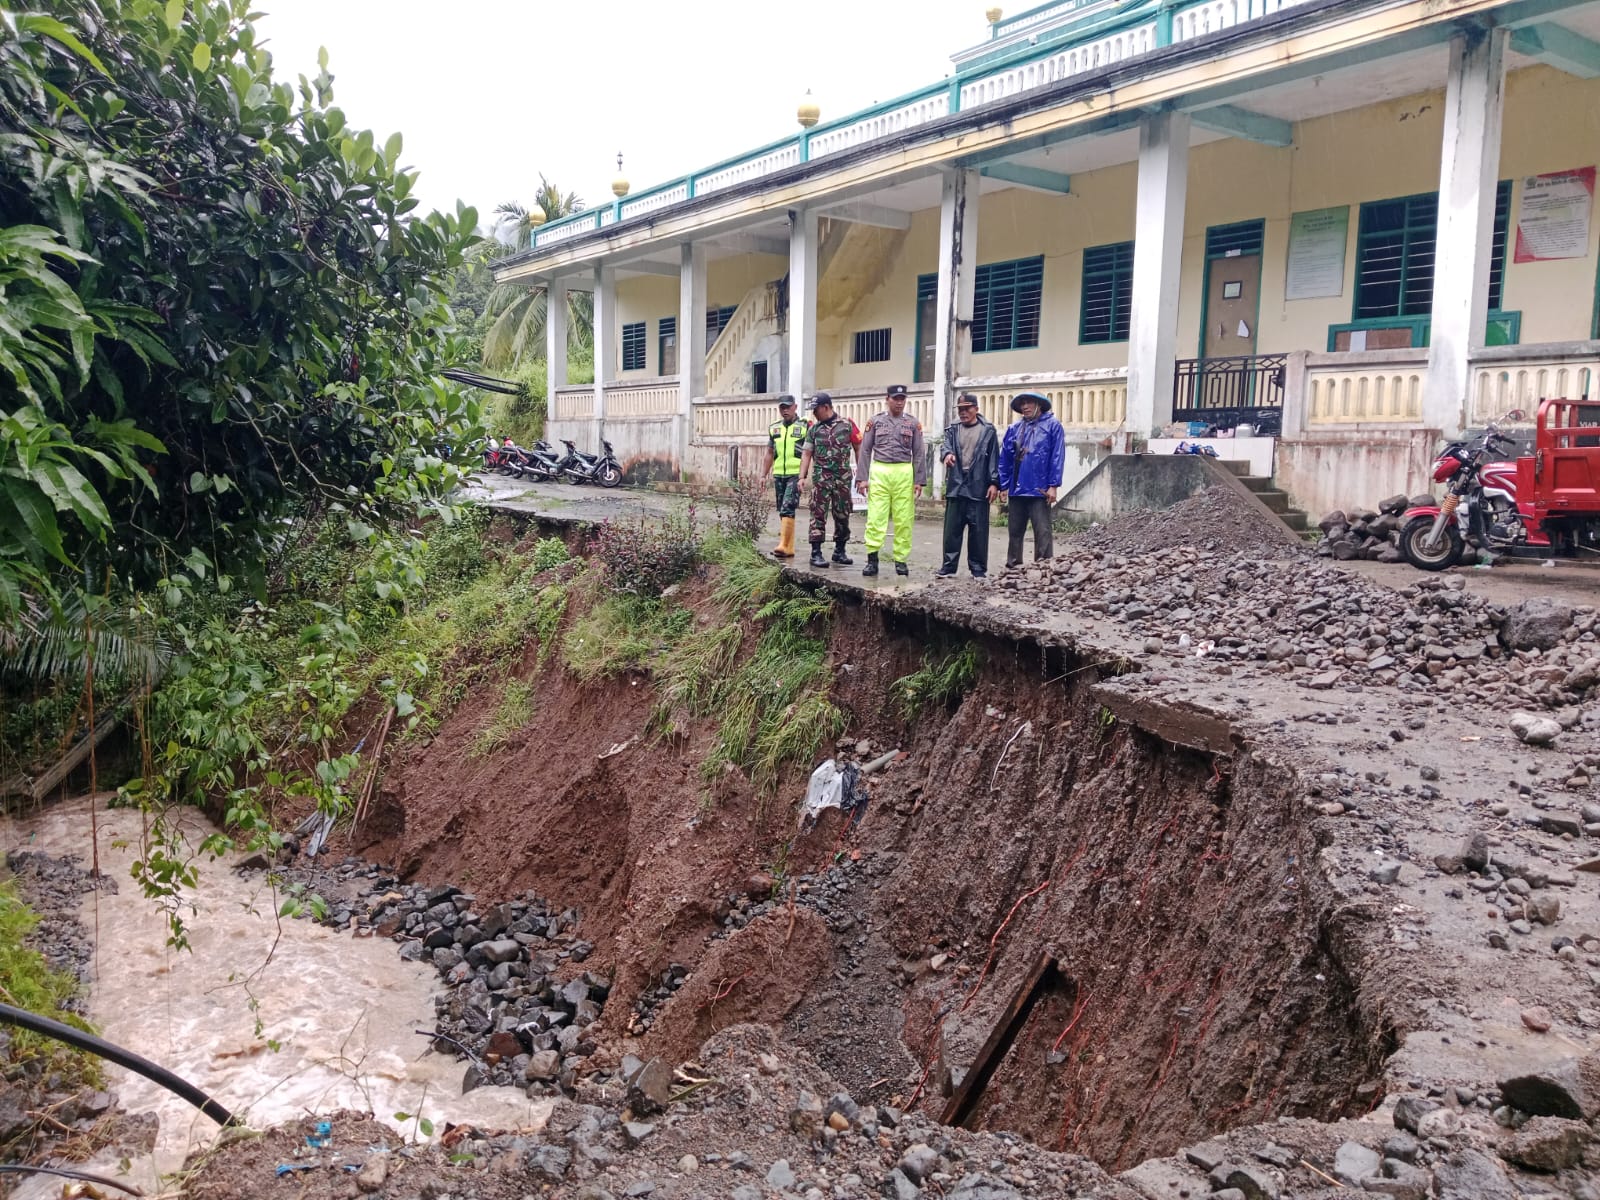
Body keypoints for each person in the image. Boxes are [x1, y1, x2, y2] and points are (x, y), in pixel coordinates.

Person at [856, 383, 925, 577]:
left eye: (902, 399)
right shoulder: (875, 422)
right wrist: (862, 478)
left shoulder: (912, 423)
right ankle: (872, 559)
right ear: (887, 399)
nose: (899, 402)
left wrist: (918, 480)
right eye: (895, 398)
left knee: (904, 518)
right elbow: (866, 450)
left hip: (904, 472)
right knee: (876, 517)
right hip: (880, 470)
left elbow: (919, 452)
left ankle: (901, 561)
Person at [998, 390, 1065, 567]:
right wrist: (1003, 485)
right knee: (1015, 531)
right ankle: (1013, 566)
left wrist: (1053, 485)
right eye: (1022, 404)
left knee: (1042, 531)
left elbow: (1057, 456)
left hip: (1040, 490)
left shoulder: (1053, 426)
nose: (1025, 407)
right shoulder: (1014, 429)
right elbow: (1005, 458)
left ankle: (1043, 567)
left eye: (1029, 403)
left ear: (1039, 405)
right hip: (1017, 489)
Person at [937, 393, 999, 578]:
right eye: (960, 409)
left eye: (967, 408)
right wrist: (947, 454)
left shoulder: (988, 430)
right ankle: (948, 567)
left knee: (978, 531)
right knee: (951, 531)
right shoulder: (953, 429)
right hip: (956, 485)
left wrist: (994, 483)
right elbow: (945, 446)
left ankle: (978, 569)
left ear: (976, 409)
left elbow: (994, 458)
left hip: (978, 486)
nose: (963, 413)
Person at [798, 392, 855, 569]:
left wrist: (862, 474)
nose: (814, 413)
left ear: (826, 407)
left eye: (816, 410)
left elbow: (859, 447)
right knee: (818, 514)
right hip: (821, 479)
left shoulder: (847, 425)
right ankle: (816, 553)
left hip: (842, 479)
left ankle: (840, 550)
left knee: (842, 514)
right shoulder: (814, 430)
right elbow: (806, 453)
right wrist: (802, 477)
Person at [763, 395, 807, 558]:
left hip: (795, 474)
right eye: (782, 407)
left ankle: (784, 545)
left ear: (795, 407)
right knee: (782, 509)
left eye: (788, 407)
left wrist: (807, 475)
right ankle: (788, 547)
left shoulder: (804, 426)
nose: (785, 410)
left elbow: (810, 451)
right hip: (779, 474)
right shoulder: (774, 428)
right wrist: (763, 474)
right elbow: (769, 452)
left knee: (788, 506)